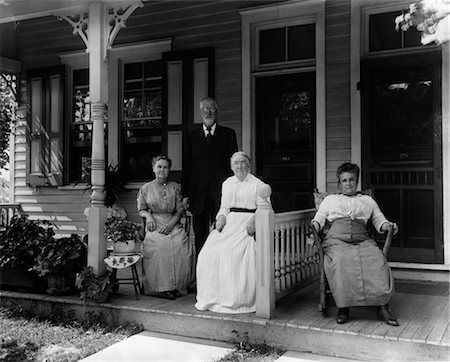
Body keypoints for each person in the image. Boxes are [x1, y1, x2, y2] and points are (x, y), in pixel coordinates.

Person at [311, 162, 399, 326]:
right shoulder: (330, 200)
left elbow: (379, 220)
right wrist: (314, 227)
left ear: (357, 181)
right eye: (344, 180)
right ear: (339, 183)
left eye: (351, 179)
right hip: (336, 240)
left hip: (362, 239)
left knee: (377, 260)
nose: (348, 183)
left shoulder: (367, 201)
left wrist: (388, 226)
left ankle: (382, 306)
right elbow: (319, 219)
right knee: (341, 261)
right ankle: (344, 307)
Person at [195, 151, 270, 314]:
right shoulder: (227, 183)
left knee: (232, 255)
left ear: (249, 165)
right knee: (207, 254)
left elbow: (265, 207)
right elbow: (224, 206)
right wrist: (221, 217)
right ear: (231, 166)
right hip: (229, 222)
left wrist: (254, 220)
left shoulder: (258, 184)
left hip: (247, 223)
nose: (239, 166)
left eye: (243, 162)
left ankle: (237, 300)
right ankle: (214, 298)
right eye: (236, 163)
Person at [182, 97, 238, 256]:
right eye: (205, 109)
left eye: (211, 108)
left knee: (222, 231)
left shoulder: (228, 134)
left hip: (221, 193)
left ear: (216, 111)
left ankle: (220, 270)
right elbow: (187, 166)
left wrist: (233, 191)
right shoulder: (191, 136)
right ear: (200, 112)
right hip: (198, 193)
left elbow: (234, 166)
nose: (208, 112)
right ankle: (202, 273)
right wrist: (185, 194)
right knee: (200, 234)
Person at [137, 155, 194, 300]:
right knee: (160, 245)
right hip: (154, 223)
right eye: (159, 166)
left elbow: (179, 211)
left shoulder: (175, 187)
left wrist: (170, 225)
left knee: (180, 243)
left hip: (173, 222)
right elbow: (141, 209)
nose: (162, 170)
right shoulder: (146, 188)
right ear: (153, 168)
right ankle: (159, 287)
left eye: (165, 167)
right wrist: (148, 217)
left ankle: (178, 285)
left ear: (169, 170)